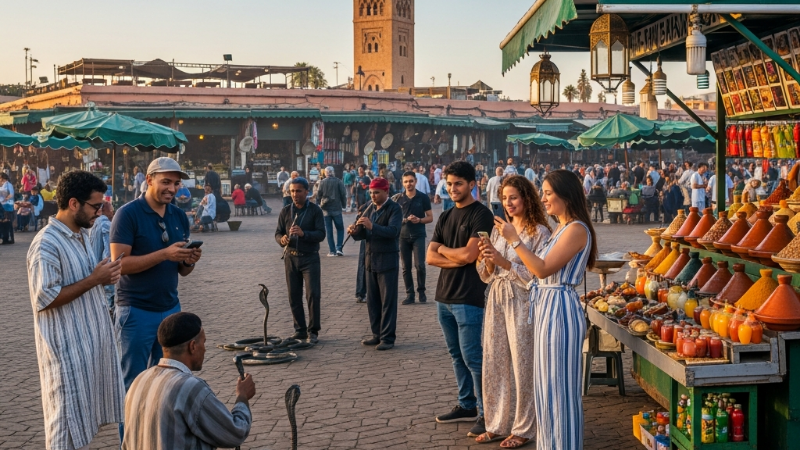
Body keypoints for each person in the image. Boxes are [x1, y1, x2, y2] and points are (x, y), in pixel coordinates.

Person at [500, 169, 598, 450]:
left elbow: (541, 269)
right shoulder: (560, 228)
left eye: (547, 193)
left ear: (566, 195)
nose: (543, 199)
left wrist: (514, 240)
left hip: (560, 311)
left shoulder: (576, 229)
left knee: (559, 389)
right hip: (547, 308)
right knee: (545, 388)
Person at [27, 170, 125, 449]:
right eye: (95, 206)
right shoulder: (46, 243)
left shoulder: (80, 234)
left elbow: (85, 280)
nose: (99, 212)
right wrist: (94, 279)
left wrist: (103, 277)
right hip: (66, 356)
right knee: (64, 430)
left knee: (82, 426)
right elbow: (46, 297)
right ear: (73, 204)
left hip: (86, 351)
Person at [110, 157, 203, 416]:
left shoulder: (178, 215)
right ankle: (129, 437)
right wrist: (165, 254)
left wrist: (189, 260)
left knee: (168, 384)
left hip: (171, 309)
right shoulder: (127, 214)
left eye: (176, 183)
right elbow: (119, 265)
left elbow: (182, 271)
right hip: (136, 311)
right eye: (166, 182)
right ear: (149, 180)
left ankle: (158, 433)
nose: (172, 189)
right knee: (133, 385)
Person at [474, 175, 551, 448]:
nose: (508, 203)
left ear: (527, 199)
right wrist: (487, 260)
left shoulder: (540, 232)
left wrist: (505, 262)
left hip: (523, 301)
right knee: (494, 361)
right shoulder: (498, 229)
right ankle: (496, 423)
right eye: (504, 198)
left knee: (523, 363)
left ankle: (524, 428)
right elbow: (486, 274)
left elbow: (539, 275)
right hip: (497, 298)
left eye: (514, 197)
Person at [428, 161, 495, 437]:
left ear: (472, 184)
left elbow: (470, 255)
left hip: (469, 297)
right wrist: (454, 256)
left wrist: (445, 250)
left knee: (473, 358)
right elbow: (430, 256)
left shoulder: (482, 215)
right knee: (456, 355)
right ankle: (466, 404)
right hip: (443, 297)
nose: (452, 188)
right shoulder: (445, 216)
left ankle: (486, 413)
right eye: (449, 183)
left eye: (458, 183)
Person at [122, 312, 254, 450]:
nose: (205, 349)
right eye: (203, 342)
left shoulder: (140, 380)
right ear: (193, 346)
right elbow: (235, 433)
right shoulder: (190, 387)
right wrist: (242, 397)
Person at [349, 178, 402, 350]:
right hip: (370, 260)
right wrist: (355, 231)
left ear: (386, 192)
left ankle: (387, 338)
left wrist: (372, 226)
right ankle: (376, 334)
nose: (373, 196)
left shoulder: (394, 208)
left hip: (387, 261)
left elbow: (393, 232)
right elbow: (364, 235)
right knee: (372, 301)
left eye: (377, 193)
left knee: (387, 301)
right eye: (371, 193)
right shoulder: (368, 208)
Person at [275, 177, 325, 341]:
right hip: (291, 257)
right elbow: (278, 232)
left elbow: (321, 234)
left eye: (298, 191)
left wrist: (304, 234)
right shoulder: (285, 211)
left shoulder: (315, 211)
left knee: (313, 294)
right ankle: (300, 329)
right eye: (292, 191)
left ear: (306, 192)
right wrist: (281, 239)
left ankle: (313, 330)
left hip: (310, 257)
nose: (295, 195)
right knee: (294, 295)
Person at [394, 171, 433, 305]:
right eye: (406, 182)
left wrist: (419, 220)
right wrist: (404, 220)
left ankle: (421, 291)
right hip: (403, 236)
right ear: (402, 183)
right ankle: (410, 294)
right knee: (406, 267)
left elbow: (430, 217)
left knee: (420, 265)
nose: (408, 184)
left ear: (416, 181)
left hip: (419, 235)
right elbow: (393, 219)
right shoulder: (398, 199)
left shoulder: (423, 198)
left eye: (411, 181)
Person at [91, 200, 116, 315]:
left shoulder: (93, 223)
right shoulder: (105, 223)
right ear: (104, 209)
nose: (113, 213)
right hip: (105, 281)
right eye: (111, 209)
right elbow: (109, 255)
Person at [317, 166, 348, 256]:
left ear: (325, 173)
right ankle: (339, 248)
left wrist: (318, 204)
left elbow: (319, 195)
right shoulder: (338, 181)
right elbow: (343, 194)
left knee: (329, 230)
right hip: (337, 208)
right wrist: (344, 205)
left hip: (325, 209)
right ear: (333, 172)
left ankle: (332, 251)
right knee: (340, 228)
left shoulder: (322, 182)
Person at [0, 172, 15, 244]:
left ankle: (11, 238)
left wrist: (5, 199)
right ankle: (4, 237)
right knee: (3, 223)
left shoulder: (9, 185)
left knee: (8, 222)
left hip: (7, 205)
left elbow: (11, 194)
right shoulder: (2, 185)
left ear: (2, 178)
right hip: (2, 205)